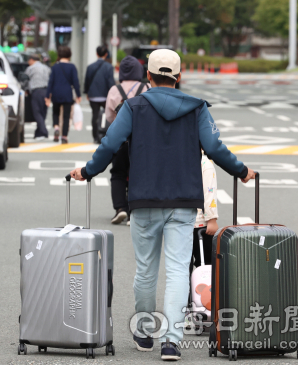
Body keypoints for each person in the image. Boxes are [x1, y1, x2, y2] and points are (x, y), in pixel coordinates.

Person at [69, 49, 256, 361]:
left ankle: (144, 332)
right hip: (184, 203)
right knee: (177, 270)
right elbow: (214, 147)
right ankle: (171, 341)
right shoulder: (197, 108)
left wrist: (87, 172)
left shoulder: (134, 106)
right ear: (179, 77)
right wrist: (242, 171)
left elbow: (110, 144)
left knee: (145, 270)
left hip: (143, 200)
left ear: (148, 76)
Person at [105, 56, 150, 225]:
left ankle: (120, 208)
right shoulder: (147, 87)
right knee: (138, 174)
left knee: (117, 173)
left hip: (120, 139)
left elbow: (109, 116)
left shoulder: (114, 90)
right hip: (142, 140)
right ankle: (134, 211)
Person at [46, 46, 81, 144]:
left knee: (55, 112)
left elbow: (50, 82)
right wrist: (78, 95)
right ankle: (64, 136)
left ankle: (56, 127)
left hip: (56, 93)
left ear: (59, 55)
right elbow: (75, 82)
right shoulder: (72, 67)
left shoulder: (55, 67)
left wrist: (47, 95)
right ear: (69, 55)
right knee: (66, 116)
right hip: (67, 94)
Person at [84, 46, 116, 144]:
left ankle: (95, 137)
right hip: (105, 95)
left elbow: (87, 81)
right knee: (108, 115)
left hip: (93, 95)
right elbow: (110, 82)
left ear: (96, 54)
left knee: (95, 116)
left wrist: (87, 92)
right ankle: (106, 134)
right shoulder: (109, 67)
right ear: (106, 54)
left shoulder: (90, 67)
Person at [193, 152, 219, 267]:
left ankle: (184, 285)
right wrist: (211, 219)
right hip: (200, 224)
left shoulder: (177, 160)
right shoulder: (205, 164)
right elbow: (209, 193)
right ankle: (205, 285)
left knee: (180, 266)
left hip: (178, 222)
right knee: (205, 264)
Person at [25, 54, 51, 140]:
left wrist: (25, 89)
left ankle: (44, 131)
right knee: (43, 112)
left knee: (37, 112)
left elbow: (25, 79)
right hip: (47, 91)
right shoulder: (46, 68)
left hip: (36, 91)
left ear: (31, 59)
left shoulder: (31, 68)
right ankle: (38, 132)